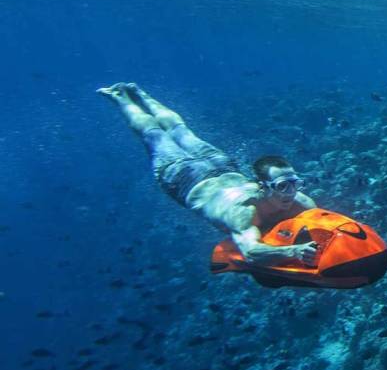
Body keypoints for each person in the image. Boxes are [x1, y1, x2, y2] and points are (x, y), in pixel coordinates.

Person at [98, 82, 320, 267]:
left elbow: (324, 222)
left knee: (181, 130)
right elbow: (251, 252)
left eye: (295, 183)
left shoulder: (302, 201)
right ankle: (122, 97)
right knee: (154, 134)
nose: (291, 192)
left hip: (222, 167)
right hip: (184, 178)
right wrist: (294, 251)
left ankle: (141, 93)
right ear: (262, 186)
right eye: (282, 186)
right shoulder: (244, 212)